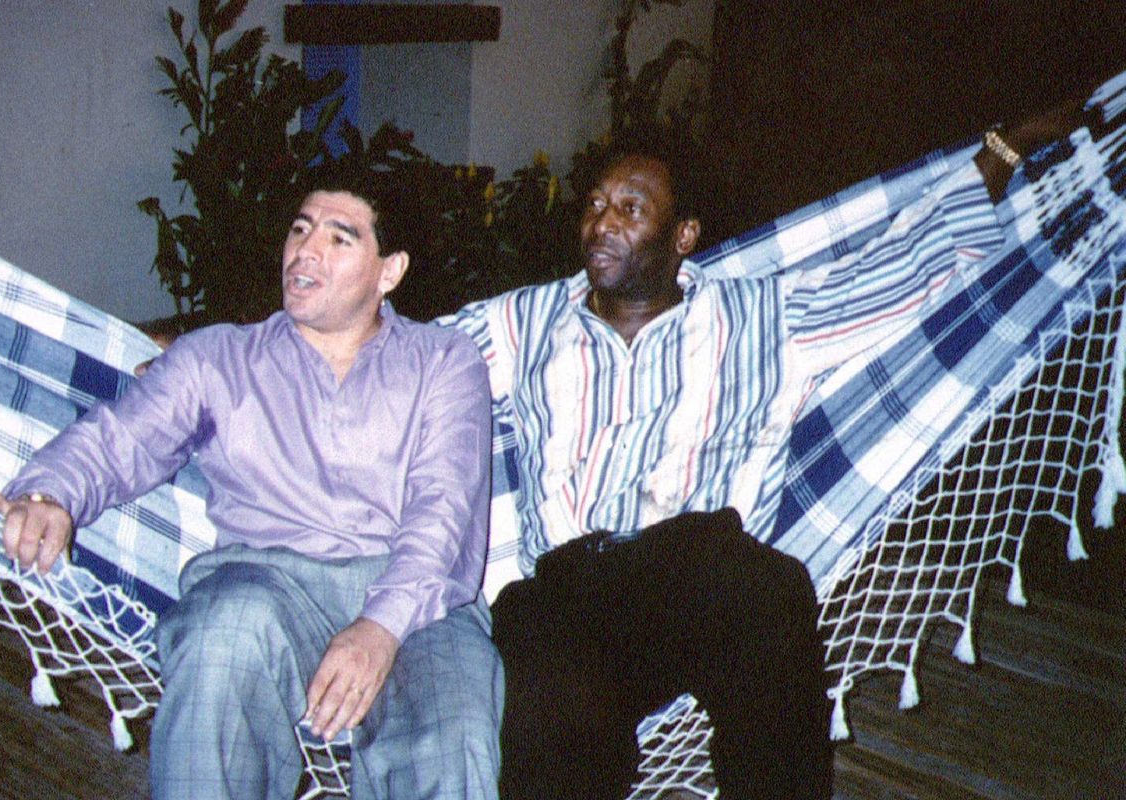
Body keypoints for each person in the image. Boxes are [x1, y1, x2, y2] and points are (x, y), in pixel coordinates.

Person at [442, 103, 1084, 799]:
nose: (602, 224)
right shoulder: (522, 322)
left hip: (694, 577)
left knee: (767, 588)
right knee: (550, 726)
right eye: (595, 205)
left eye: (631, 209)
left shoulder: (760, 318)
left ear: (683, 234)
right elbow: (402, 359)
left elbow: (905, 267)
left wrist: (1005, 148)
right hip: (566, 594)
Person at [0, 173, 503, 800]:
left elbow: (444, 513)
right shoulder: (219, 359)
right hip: (265, 584)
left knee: (454, 731)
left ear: (389, 271)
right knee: (220, 640)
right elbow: (123, 437)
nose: (305, 251)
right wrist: (50, 493)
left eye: (339, 239)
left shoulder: (445, 362)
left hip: (415, 604)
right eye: (300, 229)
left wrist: (379, 628)